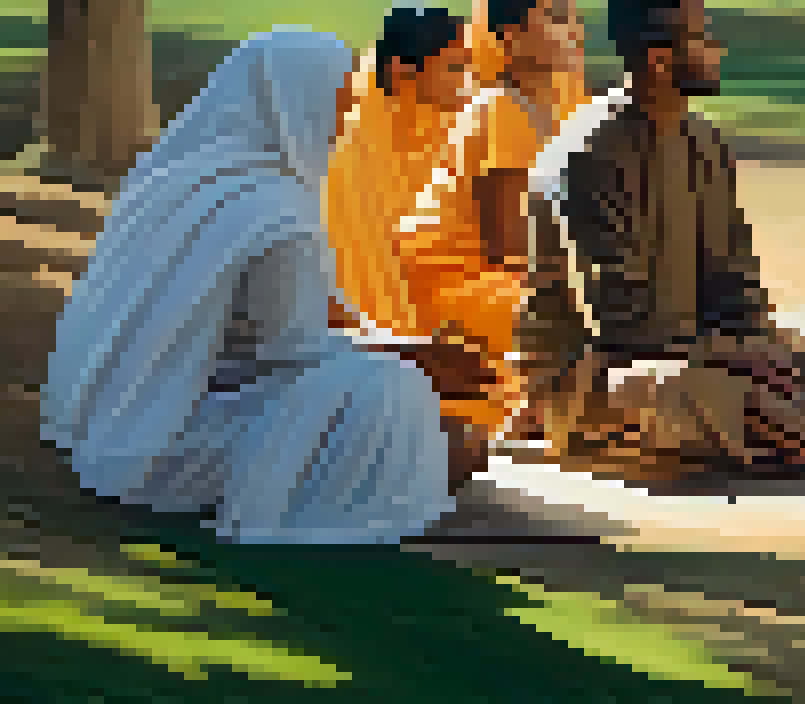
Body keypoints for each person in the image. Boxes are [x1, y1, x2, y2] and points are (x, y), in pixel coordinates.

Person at [42, 28, 486, 543]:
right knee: (396, 396)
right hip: (161, 454)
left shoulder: (168, 179)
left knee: (409, 408)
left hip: (97, 428)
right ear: (296, 102)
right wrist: (420, 361)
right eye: (338, 104)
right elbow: (291, 351)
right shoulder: (276, 214)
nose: (342, 125)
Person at [522, 0, 805, 478]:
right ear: (658, 57)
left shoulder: (703, 141)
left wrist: (756, 344)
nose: (717, 48)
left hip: (695, 351)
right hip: (600, 366)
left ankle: (762, 428)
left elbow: (734, 272)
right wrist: (729, 356)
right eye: (702, 38)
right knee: (685, 388)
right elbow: (616, 319)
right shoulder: (588, 154)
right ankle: (751, 429)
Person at [394, 0, 590, 449]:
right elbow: (505, 249)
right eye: (556, 17)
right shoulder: (501, 109)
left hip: (525, 273)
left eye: (574, 15)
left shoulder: (565, 105)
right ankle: (541, 406)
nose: (575, 31)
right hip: (460, 284)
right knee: (560, 315)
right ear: (509, 36)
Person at [326, 5, 475, 334]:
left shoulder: (454, 123)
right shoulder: (352, 151)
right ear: (402, 73)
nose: (469, 86)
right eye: (455, 69)